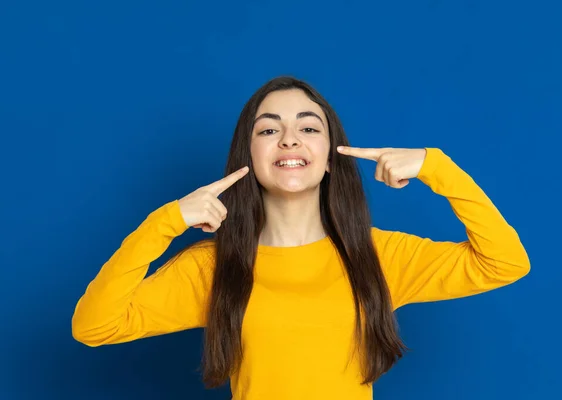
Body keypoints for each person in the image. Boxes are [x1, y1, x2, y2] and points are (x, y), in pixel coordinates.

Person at [71, 76, 530, 400]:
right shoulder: (213, 267)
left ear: (329, 157)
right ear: (248, 155)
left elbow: (505, 262)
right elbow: (94, 326)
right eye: (269, 129)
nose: (290, 139)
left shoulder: (379, 256)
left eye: (309, 128)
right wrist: (166, 221)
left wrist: (436, 166)